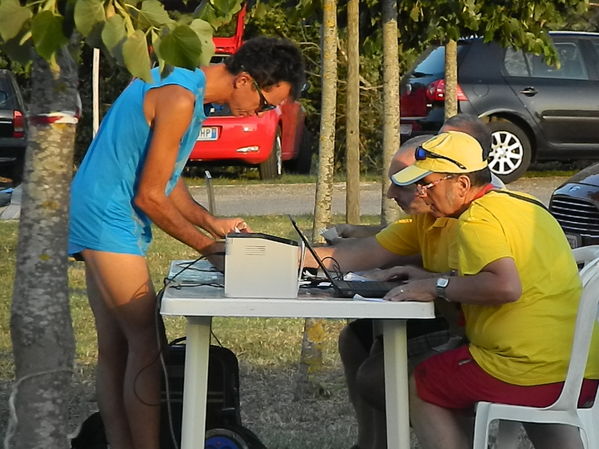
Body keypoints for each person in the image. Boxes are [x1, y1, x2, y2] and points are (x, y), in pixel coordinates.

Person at [68, 37, 305, 449]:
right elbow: (150, 196)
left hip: (99, 207)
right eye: (268, 103)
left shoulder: (183, 83)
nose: (266, 113)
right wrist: (208, 248)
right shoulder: (179, 99)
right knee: (147, 347)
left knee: (117, 347)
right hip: (107, 214)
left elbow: (165, 179)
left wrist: (213, 223)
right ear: (245, 80)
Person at [385, 131, 599, 449]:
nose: (421, 194)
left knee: (423, 382)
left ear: (461, 184)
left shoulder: (476, 220)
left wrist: (435, 285)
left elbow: (504, 285)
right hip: (579, 368)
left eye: (426, 184)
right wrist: (431, 277)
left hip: (527, 369)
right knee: (541, 410)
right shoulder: (525, 204)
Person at [327, 114, 504, 241]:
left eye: (422, 183)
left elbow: (501, 285)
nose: (390, 194)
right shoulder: (443, 206)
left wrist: (433, 283)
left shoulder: (481, 215)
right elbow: (405, 235)